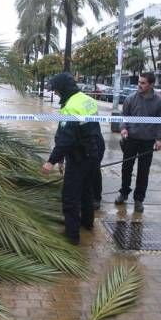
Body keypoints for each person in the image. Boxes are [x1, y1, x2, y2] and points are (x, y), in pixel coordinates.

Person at [41, 72, 105, 245]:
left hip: (79, 157)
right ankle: (87, 224)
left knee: (70, 197)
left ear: (63, 88)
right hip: (95, 152)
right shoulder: (87, 99)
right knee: (87, 191)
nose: (55, 93)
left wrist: (51, 161)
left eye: (56, 90)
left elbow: (66, 139)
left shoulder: (70, 107)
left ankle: (72, 236)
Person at [114, 72, 161, 213]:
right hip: (130, 139)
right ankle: (124, 193)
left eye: (143, 83)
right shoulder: (130, 99)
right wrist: (124, 128)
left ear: (151, 85)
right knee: (126, 168)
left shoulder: (159, 103)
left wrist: (159, 139)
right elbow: (124, 117)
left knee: (143, 172)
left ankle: (139, 200)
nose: (140, 85)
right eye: (139, 82)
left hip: (147, 142)